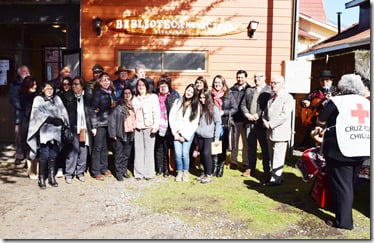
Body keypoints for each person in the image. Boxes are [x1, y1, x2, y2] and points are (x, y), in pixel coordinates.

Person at [316, 74, 370, 230]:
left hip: (342, 150)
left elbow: (321, 120)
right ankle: (340, 209)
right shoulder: (366, 102)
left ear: (342, 86)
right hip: (362, 147)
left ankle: (344, 222)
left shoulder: (337, 101)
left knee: (342, 185)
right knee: (349, 184)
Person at [27, 81, 69, 189]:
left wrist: (62, 120)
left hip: (56, 131)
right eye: (47, 88)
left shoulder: (57, 99)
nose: (50, 91)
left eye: (51, 88)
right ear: (43, 89)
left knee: (53, 154)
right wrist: (50, 118)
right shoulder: (38, 99)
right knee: (44, 154)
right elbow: (36, 113)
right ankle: (42, 178)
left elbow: (63, 111)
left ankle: (51, 177)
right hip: (44, 131)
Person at [241, 72, 273, 183]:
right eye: (255, 77)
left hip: (262, 124)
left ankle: (266, 171)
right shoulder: (250, 90)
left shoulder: (269, 91)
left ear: (265, 78)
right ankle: (251, 167)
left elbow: (267, 106)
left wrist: (258, 115)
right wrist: (247, 114)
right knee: (251, 147)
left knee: (265, 149)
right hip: (250, 123)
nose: (256, 79)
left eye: (259, 77)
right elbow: (243, 104)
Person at [262, 75, 293, 186]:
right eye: (272, 82)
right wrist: (264, 120)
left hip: (280, 132)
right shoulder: (271, 98)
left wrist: (270, 124)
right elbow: (266, 113)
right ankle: (275, 176)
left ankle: (276, 180)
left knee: (278, 157)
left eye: (275, 83)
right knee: (272, 156)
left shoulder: (287, 97)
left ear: (282, 84)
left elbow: (284, 115)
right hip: (270, 132)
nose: (273, 85)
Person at [169, 83, 201, 182]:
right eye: (188, 90)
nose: (189, 93)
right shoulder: (177, 101)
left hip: (188, 134)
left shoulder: (196, 105)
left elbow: (194, 123)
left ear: (194, 94)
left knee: (185, 153)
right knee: (178, 153)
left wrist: (185, 135)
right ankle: (179, 172)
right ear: (185, 90)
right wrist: (176, 132)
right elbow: (172, 117)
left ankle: (185, 172)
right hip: (177, 132)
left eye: (191, 92)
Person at [63, 77, 92, 184]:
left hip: (84, 128)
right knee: (72, 151)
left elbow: (91, 111)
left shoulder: (88, 97)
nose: (74, 86)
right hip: (73, 127)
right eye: (73, 84)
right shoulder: (68, 97)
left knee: (83, 151)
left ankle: (80, 172)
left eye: (76, 84)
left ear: (82, 86)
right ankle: (69, 173)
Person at [89, 72, 116, 181]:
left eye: (107, 80)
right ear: (99, 82)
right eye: (103, 80)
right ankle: (95, 171)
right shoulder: (97, 93)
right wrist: (94, 126)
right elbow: (92, 110)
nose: (106, 82)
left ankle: (103, 167)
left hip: (108, 123)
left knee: (105, 147)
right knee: (98, 147)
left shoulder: (111, 92)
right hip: (100, 123)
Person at [132, 78, 160, 180]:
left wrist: (155, 126)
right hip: (138, 128)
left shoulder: (153, 97)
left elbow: (156, 112)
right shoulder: (134, 98)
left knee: (149, 151)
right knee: (138, 151)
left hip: (149, 127)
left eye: (143, 85)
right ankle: (139, 173)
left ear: (147, 87)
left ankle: (148, 173)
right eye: (139, 85)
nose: (141, 87)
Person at [211, 75, 237, 177]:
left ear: (223, 84)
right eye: (215, 82)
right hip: (212, 124)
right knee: (213, 145)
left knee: (222, 146)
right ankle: (214, 166)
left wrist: (224, 112)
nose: (217, 84)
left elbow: (234, 108)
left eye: (219, 83)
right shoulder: (210, 94)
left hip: (224, 124)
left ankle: (220, 166)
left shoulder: (229, 94)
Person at [108, 86, 136, 181]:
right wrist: (113, 134)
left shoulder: (133, 106)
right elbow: (112, 120)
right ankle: (118, 173)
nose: (127, 95)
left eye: (129, 93)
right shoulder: (118, 106)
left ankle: (124, 170)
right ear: (123, 95)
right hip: (120, 133)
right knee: (119, 154)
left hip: (130, 133)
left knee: (126, 154)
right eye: (125, 93)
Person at [155, 75, 180, 177]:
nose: (163, 87)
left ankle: (166, 169)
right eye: (161, 85)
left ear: (169, 86)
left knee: (167, 148)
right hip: (158, 125)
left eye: (165, 85)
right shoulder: (155, 96)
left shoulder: (174, 95)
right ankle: (159, 168)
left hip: (169, 126)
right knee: (158, 148)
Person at [195, 89, 221, 184]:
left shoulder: (213, 108)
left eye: (204, 98)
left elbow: (218, 123)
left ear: (208, 98)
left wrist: (216, 137)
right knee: (202, 154)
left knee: (207, 154)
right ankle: (205, 172)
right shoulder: (199, 107)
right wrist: (197, 130)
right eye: (200, 98)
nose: (202, 100)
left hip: (209, 136)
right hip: (200, 135)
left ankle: (209, 174)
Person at [229, 70, 252, 170]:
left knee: (246, 143)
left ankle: (245, 162)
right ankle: (233, 161)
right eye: (238, 77)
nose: (240, 79)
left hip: (245, 120)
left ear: (246, 78)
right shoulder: (232, 89)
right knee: (234, 142)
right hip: (234, 119)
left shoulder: (250, 89)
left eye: (242, 77)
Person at [9, 65, 30, 164]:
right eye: (24, 71)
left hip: (29, 114)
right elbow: (14, 99)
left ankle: (28, 155)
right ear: (19, 73)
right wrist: (24, 107)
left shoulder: (30, 83)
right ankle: (19, 154)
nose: (26, 73)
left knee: (28, 135)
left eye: (27, 71)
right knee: (19, 135)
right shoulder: (14, 84)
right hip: (20, 114)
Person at [19, 76, 39, 179]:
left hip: (33, 122)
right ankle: (31, 169)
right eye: (33, 84)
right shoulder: (25, 97)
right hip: (28, 122)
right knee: (28, 144)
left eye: (36, 84)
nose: (35, 86)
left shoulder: (35, 95)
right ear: (28, 86)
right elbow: (27, 111)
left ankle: (32, 168)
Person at [55, 76, 74, 178]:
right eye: (64, 84)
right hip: (61, 124)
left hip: (72, 124)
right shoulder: (58, 95)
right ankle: (60, 168)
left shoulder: (74, 95)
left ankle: (69, 169)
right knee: (60, 148)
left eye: (68, 84)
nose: (66, 86)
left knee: (70, 148)